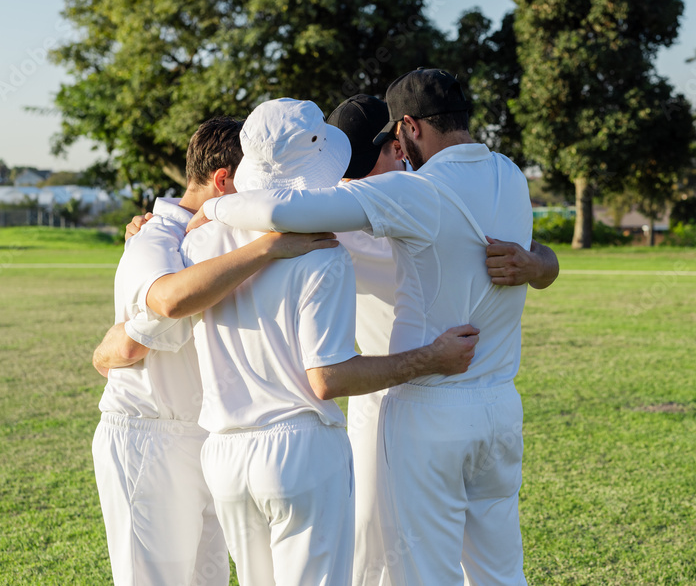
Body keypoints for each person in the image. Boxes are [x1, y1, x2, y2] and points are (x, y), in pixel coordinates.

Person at [189, 69, 556, 585]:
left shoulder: (410, 193)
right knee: (500, 573)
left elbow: (279, 207)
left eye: (398, 137)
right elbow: (530, 252)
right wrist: (542, 263)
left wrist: (208, 204)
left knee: (423, 574)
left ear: (410, 126)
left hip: (426, 408)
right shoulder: (511, 174)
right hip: (499, 405)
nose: (399, 151)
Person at [90, 116, 336, 586]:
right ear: (223, 180)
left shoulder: (212, 238)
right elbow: (168, 301)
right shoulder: (155, 237)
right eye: (252, 180)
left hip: (205, 437)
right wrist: (268, 248)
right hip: (149, 434)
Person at [325, 93, 559, 586]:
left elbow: (535, 250)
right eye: (384, 149)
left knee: (449, 561)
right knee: (372, 544)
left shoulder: (429, 189)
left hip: (456, 400)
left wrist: (537, 264)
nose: (398, 155)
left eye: (395, 143)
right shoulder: (339, 223)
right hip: (383, 398)